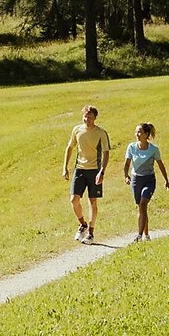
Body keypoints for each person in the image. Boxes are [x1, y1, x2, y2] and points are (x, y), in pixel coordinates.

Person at [62, 103, 111, 243]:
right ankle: (82, 224)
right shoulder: (77, 130)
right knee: (74, 200)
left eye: (90, 117)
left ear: (95, 118)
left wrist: (102, 171)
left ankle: (91, 232)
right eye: (85, 116)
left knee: (92, 201)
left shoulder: (101, 133)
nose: (87, 119)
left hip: (95, 170)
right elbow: (70, 147)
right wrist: (65, 167)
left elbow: (106, 153)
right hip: (80, 169)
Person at [124, 122, 169, 241]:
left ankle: (139, 235)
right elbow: (127, 163)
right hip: (136, 180)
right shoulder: (131, 147)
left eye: (139, 132)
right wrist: (126, 176)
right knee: (141, 207)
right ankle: (146, 235)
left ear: (146, 134)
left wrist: (166, 180)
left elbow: (160, 164)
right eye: (136, 132)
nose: (137, 134)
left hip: (149, 180)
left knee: (143, 204)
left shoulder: (153, 149)